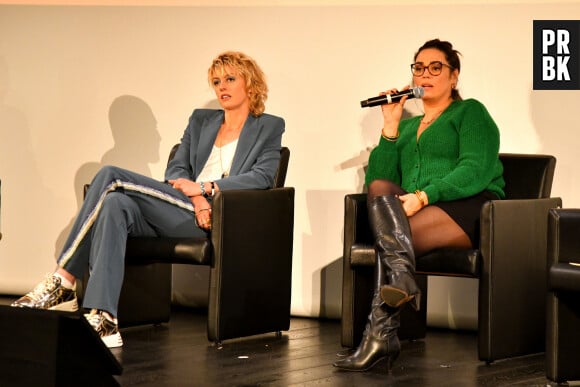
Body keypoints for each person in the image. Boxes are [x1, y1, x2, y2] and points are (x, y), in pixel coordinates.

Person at [11, 51, 285, 348]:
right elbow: (177, 168)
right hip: (189, 208)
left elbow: (262, 177)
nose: (222, 87)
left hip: (223, 216)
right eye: (217, 81)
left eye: (230, 79)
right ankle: (104, 318)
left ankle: (64, 279)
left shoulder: (268, 126)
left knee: (111, 176)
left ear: (251, 84)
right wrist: (197, 199)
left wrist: (206, 188)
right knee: (115, 204)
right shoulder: (201, 120)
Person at [333, 39, 505, 372]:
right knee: (386, 204)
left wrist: (425, 196)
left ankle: (379, 336)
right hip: (419, 208)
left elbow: (474, 170)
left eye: (435, 67)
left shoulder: (471, 113)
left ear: (453, 76)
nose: (425, 74)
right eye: (418, 68)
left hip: (470, 207)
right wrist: (390, 126)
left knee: (392, 238)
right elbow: (379, 182)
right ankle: (399, 289)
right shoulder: (410, 127)